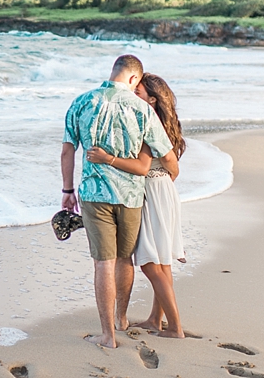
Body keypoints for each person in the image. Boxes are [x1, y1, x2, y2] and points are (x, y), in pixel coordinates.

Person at [61, 55, 178, 349]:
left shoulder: (81, 102)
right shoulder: (142, 109)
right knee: (125, 259)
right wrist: (169, 182)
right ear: (133, 79)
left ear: (114, 73)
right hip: (131, 197)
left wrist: (67, 190)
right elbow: (166, 154)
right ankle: (121, 319)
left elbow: (67, 151)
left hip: (94, 195)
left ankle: (108, 336)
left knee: (103, 263)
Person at [87, 73, 187, 338]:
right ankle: (156, 319)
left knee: (150, 264)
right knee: (162, 262)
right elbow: (171, 167)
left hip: (153, 191)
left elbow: (144, 167)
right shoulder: (160, 122)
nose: (133, 96)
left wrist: (106, 158)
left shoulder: (147, 124)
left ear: (152, 100)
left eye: (139, 92)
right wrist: (166, 179)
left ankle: (175, 327)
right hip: (162, 188)